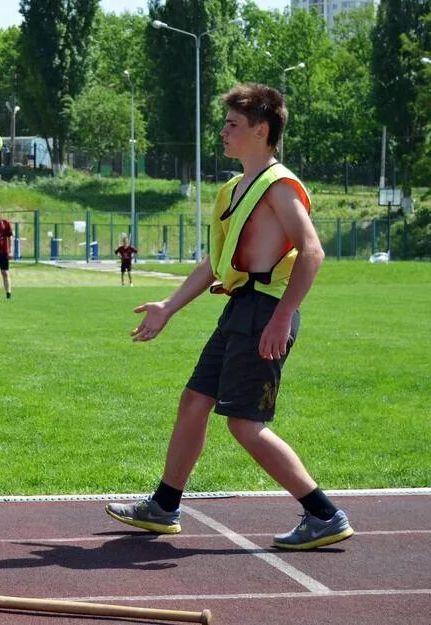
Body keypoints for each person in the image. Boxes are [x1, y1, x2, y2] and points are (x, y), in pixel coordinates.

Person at [105, 83, 353, 551]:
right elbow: (214, 265)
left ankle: (323, 513)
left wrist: (283, 318)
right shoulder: (233, 190)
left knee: (244, 425)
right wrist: (168, 307)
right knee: (194, 402)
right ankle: (164, 505)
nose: (222, 132)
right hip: (241, 310)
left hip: (264, 312)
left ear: (261, 130)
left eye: (232, 124)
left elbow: (313, 251)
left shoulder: (279, 188)